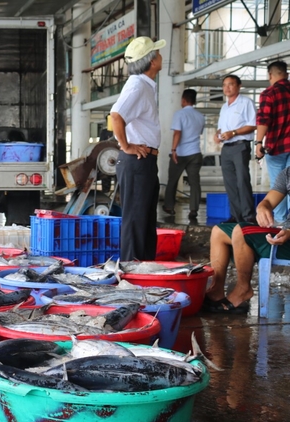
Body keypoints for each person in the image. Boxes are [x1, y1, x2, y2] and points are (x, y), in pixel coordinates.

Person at [203, 166, 290, 314]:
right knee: (219, 232)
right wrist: (262, 207)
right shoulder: (287, 173)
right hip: (286, 232)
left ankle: (243, 289)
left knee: (241, 231)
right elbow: (268, 200)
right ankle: (216, 291)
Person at [110, 36, 164, 261]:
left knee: (145, 219)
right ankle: (132, 272)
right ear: (152, 61)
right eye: (157, 53)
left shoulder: (145, 86)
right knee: (135, 220)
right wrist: (126, 146)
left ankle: (144, 269)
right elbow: (116, 115)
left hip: (146, 161)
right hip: (137, 161)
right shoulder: (137, 85)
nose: (161, 56)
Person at [214, 74, 257, 223]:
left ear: (239, 86)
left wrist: (234, 133)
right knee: (230, 183)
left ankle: (248, 216)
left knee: (242, 181)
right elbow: (221, 128)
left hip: (240, 146)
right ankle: (236, 216)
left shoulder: (246, 102)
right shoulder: (224, 107)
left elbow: (253, 124)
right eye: (224, 85)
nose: (227, 87)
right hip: (226, 148)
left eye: (231, 84)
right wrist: (217, 135)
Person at [254, 60, 290, 222]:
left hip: (276, 148)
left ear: (270, 75)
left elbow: (264, 120)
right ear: (286, 74)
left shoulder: (269, 93)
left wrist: (258, 142)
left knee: (278, 187)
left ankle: (281, 222)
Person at [163, 89, 205, 219]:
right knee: (194, 183)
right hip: (195, 153)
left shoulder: (179, 114)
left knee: (173, 181)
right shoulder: (200, 116)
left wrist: (174, 150)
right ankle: (194, 209)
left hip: (180, 153)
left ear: (183, 100)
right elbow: (199, 132)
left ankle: (169, 207)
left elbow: (177, 133)